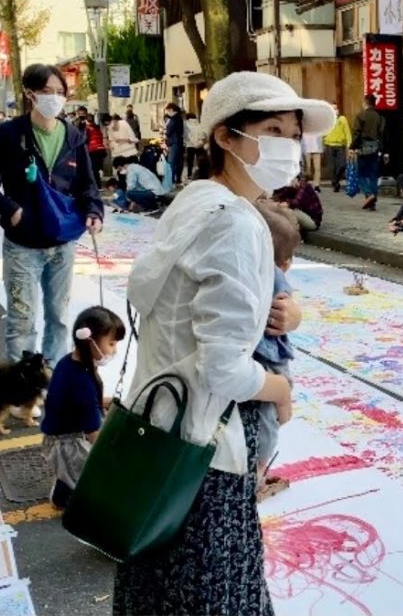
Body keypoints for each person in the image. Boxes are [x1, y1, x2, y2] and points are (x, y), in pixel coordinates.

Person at [115, 70, 324, 615]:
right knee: (215, 596)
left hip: (158, 435)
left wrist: (284, 314)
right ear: (226, 138)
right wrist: (279, 389)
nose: (287, 145)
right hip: (205, 453)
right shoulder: (236, 222)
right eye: (272, 129)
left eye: (293, 132)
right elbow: (223, 370)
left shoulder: (196, 201)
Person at [0, 64, 104, 369]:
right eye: (46, 92)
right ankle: (22, 389)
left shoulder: (74, 137)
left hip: (62, 243)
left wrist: (93, 211)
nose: (54, 98)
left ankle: (51, 380)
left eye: (60, 93)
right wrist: (8, 207)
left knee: (59, 318)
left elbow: (87, 185)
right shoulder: (8, 135)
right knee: (22, 321)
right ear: (30, 94)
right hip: (23, 245)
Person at [41, 306, 125, 509]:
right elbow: (93, 433)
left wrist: (106, 402)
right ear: (90, 341)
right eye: (111, 343)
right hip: (68, 444)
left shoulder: (69, 361)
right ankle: (69, 500)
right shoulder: (82, 383)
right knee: (90, 481)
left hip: (59, 436)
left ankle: (63, 492)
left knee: (72, 474)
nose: (114, 350)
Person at [250, 201, 301, 499]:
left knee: (267, 417)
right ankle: (255, 475)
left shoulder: (258, 270)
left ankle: (256, 469)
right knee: (267, 420)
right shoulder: (270, 274)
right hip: (267, 360)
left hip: (267, 356)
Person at [351, 94, 387, 210]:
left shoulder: (360, 116)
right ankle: (372, 203)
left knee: (361, 175)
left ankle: (369, 194)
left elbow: (356, 133)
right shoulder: (380, 117)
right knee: (373, 176)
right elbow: (383, 135)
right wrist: (383, 151)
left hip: (363, 148)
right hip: (376, 148)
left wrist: (352, 147)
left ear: (365, 102)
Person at [322, 102, 351, 192]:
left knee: (342, 165)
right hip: (329, 145)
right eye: (333, 109)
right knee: (332, 167)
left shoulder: (342, 119)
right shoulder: (327, 120)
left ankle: (337, 179)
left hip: (340, 145)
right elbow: (323, 132)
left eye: (336, 109)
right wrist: (323, 142)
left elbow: (347, 132)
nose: (335, 111)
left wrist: (349, 144)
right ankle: (335, 183)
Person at [77, 106, 108, 187]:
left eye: (83, 114)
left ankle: (96, 185)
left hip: (92, 149)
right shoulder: (95, 126)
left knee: (92, 168)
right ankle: (97, 185)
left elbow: (84, 138)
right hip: (99, 149)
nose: (81, 116)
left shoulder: (86, 126)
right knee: (95, 169)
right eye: (80, 114)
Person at [163, 102, 186, 186]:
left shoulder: (174, 119)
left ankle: (170, 181)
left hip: (173, 142)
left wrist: (165, 132)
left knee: (171, 162)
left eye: (167, 111)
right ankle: (177, 180)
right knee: (178, 162)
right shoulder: (180, 118)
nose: (167, 113)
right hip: (179, 142)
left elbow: (169, 131)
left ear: (171, 110)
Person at [184, 112, 206, 180]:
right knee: (200, 160)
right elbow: (203, 134)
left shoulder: (186, 125)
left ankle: (189, 175)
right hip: (199, 144)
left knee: (190, 161)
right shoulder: (199, 124)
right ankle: (202, 174)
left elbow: (185, 135)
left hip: (190, 145)